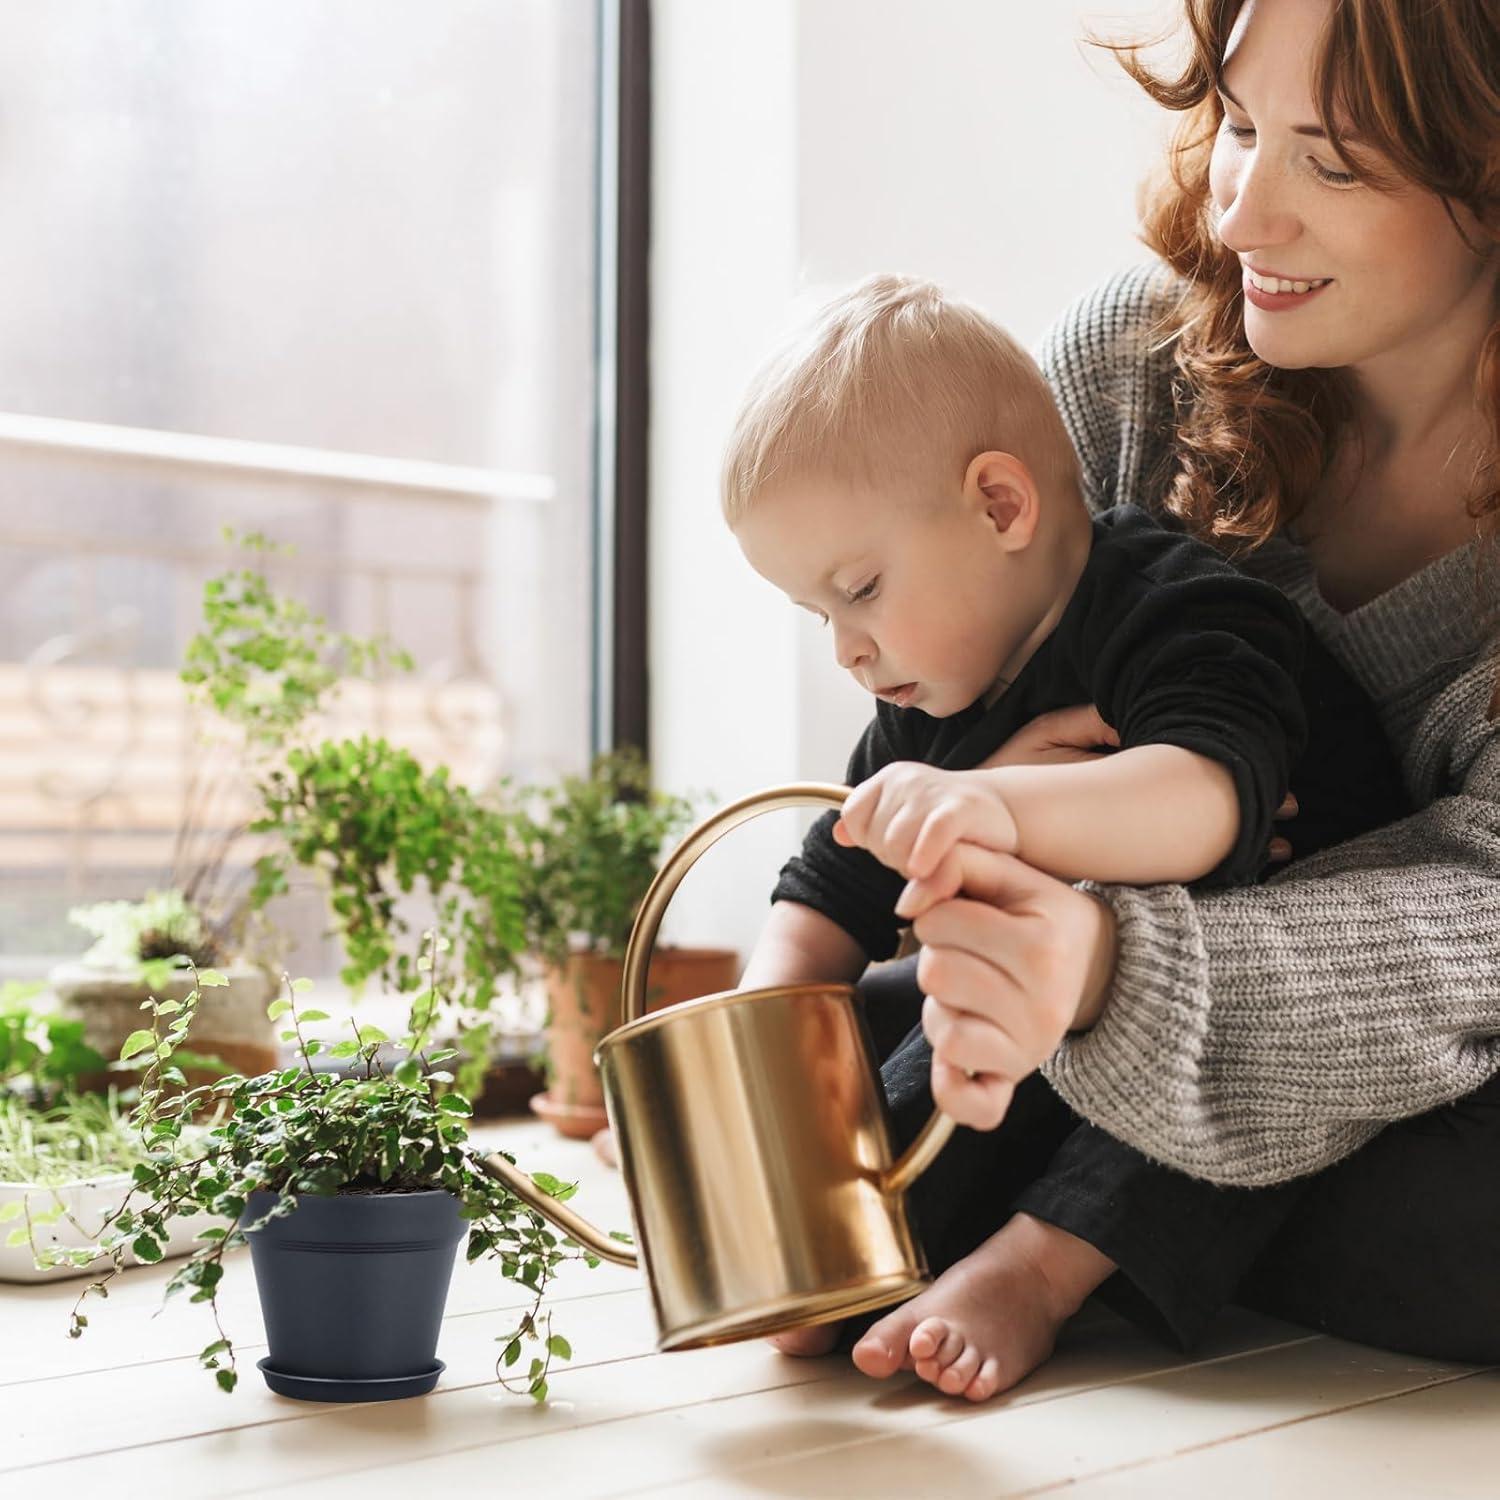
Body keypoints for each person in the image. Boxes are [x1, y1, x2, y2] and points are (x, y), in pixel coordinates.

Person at [734, 0, 1500, 1404]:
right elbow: (952, 699)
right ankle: (1117, 1215)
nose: (1246, 212)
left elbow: (1483, 919)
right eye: (1241, 126)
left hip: (1419, 1027)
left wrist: (1105, 967)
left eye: (1331, 162)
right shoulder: (1131, 369)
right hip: (1117, 979)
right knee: (919, 1008)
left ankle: (1068, 1233)